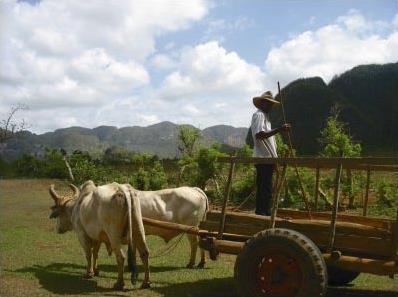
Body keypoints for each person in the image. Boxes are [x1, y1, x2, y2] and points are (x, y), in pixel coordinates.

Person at [251, 91, 291, 216]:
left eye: (271, 105)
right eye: (269, 104)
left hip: (268, 158)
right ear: (263, 103)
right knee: (265, 188)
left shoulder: (265, 117)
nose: (271, 107)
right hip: (263, 158)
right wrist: (280, 129)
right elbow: (259, 135)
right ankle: (263, 213)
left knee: (266, 187)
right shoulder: (259, 115)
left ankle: (263, 212)